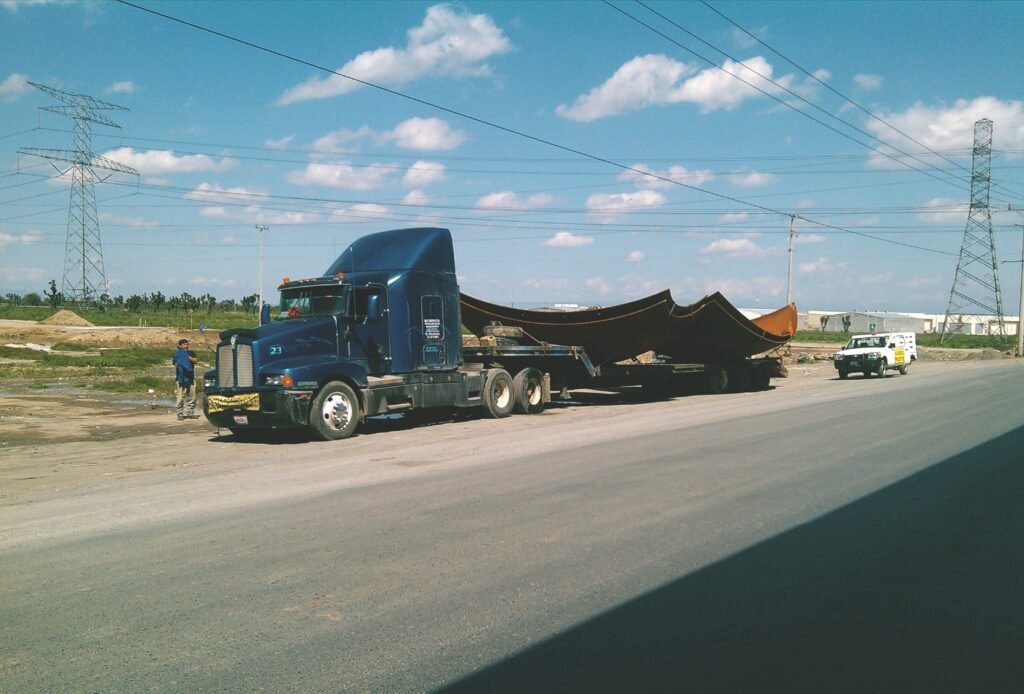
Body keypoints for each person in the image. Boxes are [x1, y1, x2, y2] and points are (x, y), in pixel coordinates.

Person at [172, 338, 198, 420]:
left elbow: (196, 360)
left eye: (187, 344)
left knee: (192, 396)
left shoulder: (191, 353)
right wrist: (181, 363)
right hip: (180, 378)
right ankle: (180, 414)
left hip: (191, 377)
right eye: (184, 345)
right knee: (180, 397)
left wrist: (189, 358)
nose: (186, 346)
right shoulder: (177, 354)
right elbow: (175, 364)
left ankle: (190, 413)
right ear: (180, 346)